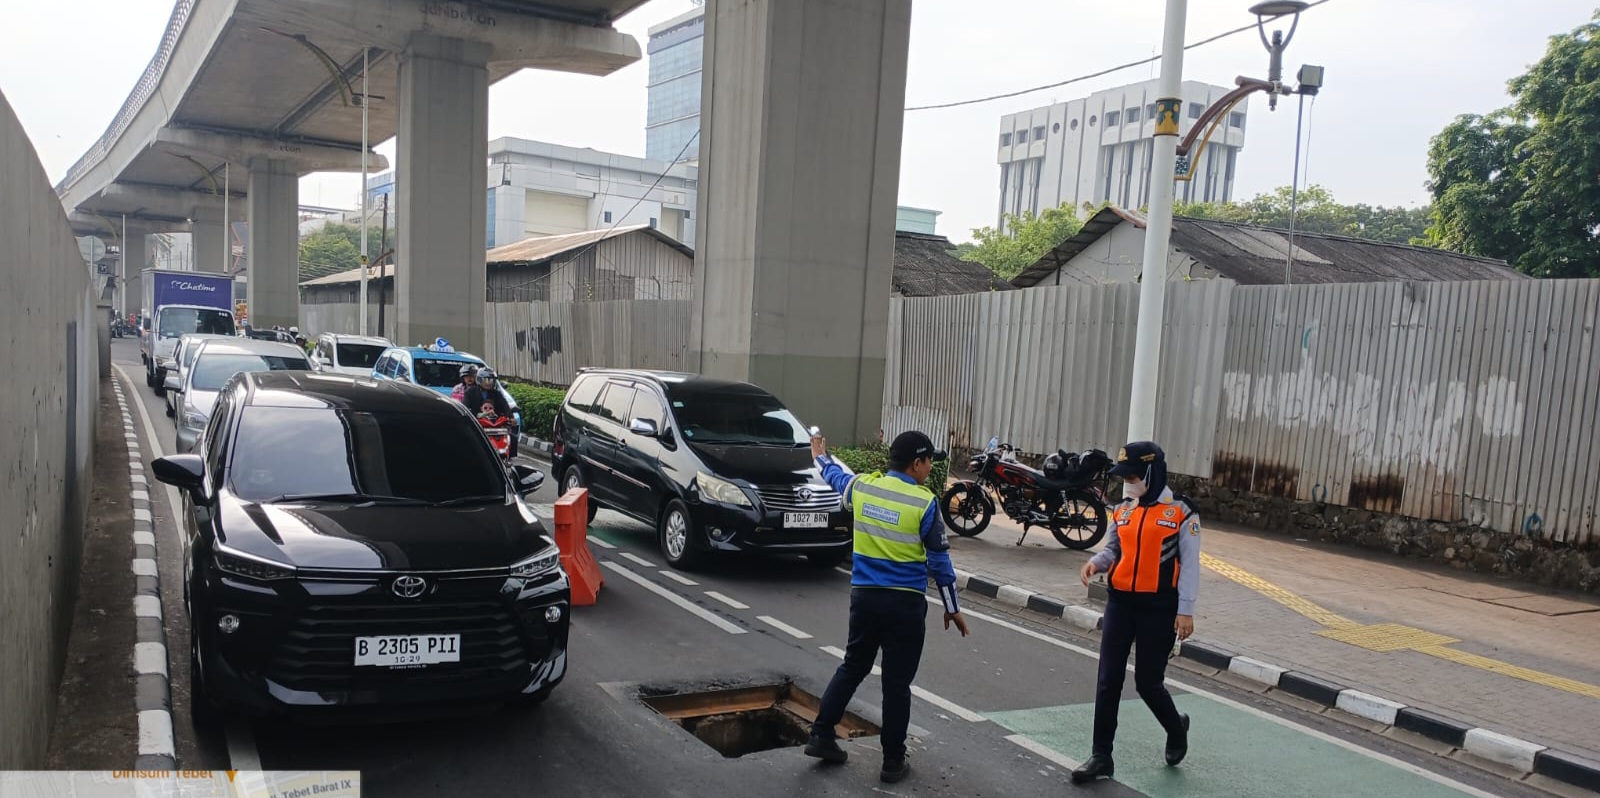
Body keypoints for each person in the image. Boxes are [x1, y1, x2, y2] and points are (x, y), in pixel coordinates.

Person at [805, 430, 969, 784]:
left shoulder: (864, 488)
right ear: (917, 463)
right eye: (929, 463)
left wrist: (819, 457)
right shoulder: (924, 503)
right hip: (904, 605)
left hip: (864, 599)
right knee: (896, 684)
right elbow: (940, 564)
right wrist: (952, 607)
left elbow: (837, 479)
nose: (930, 470)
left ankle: (820, 734)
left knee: (853, 665)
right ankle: (893, 761)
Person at [1071, 441, 1200, 784]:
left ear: (1151, 472)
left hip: (1159, 607)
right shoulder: (1123, 510)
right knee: (1108, 679)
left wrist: (1185, 611)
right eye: (1123, 476)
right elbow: (1114, 549)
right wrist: (1096, 562)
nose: (1127, 482)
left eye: (1132, 475)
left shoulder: (1181, 512)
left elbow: (1189, 566)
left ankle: (1176, 727)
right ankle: (1101, 756)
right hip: (1120, 603)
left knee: (1147, 682)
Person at [466, 367, 517, 457]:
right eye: (486, 380)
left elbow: (505, 405)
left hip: (495, 423)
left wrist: (511, 417)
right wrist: (468, 417)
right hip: (477, 423)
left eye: (491, 380)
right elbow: (464, 406)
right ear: (479, 380)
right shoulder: (470, 392)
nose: (489, 383)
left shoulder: (496, 393)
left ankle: (510, 460)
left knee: (512, 438)